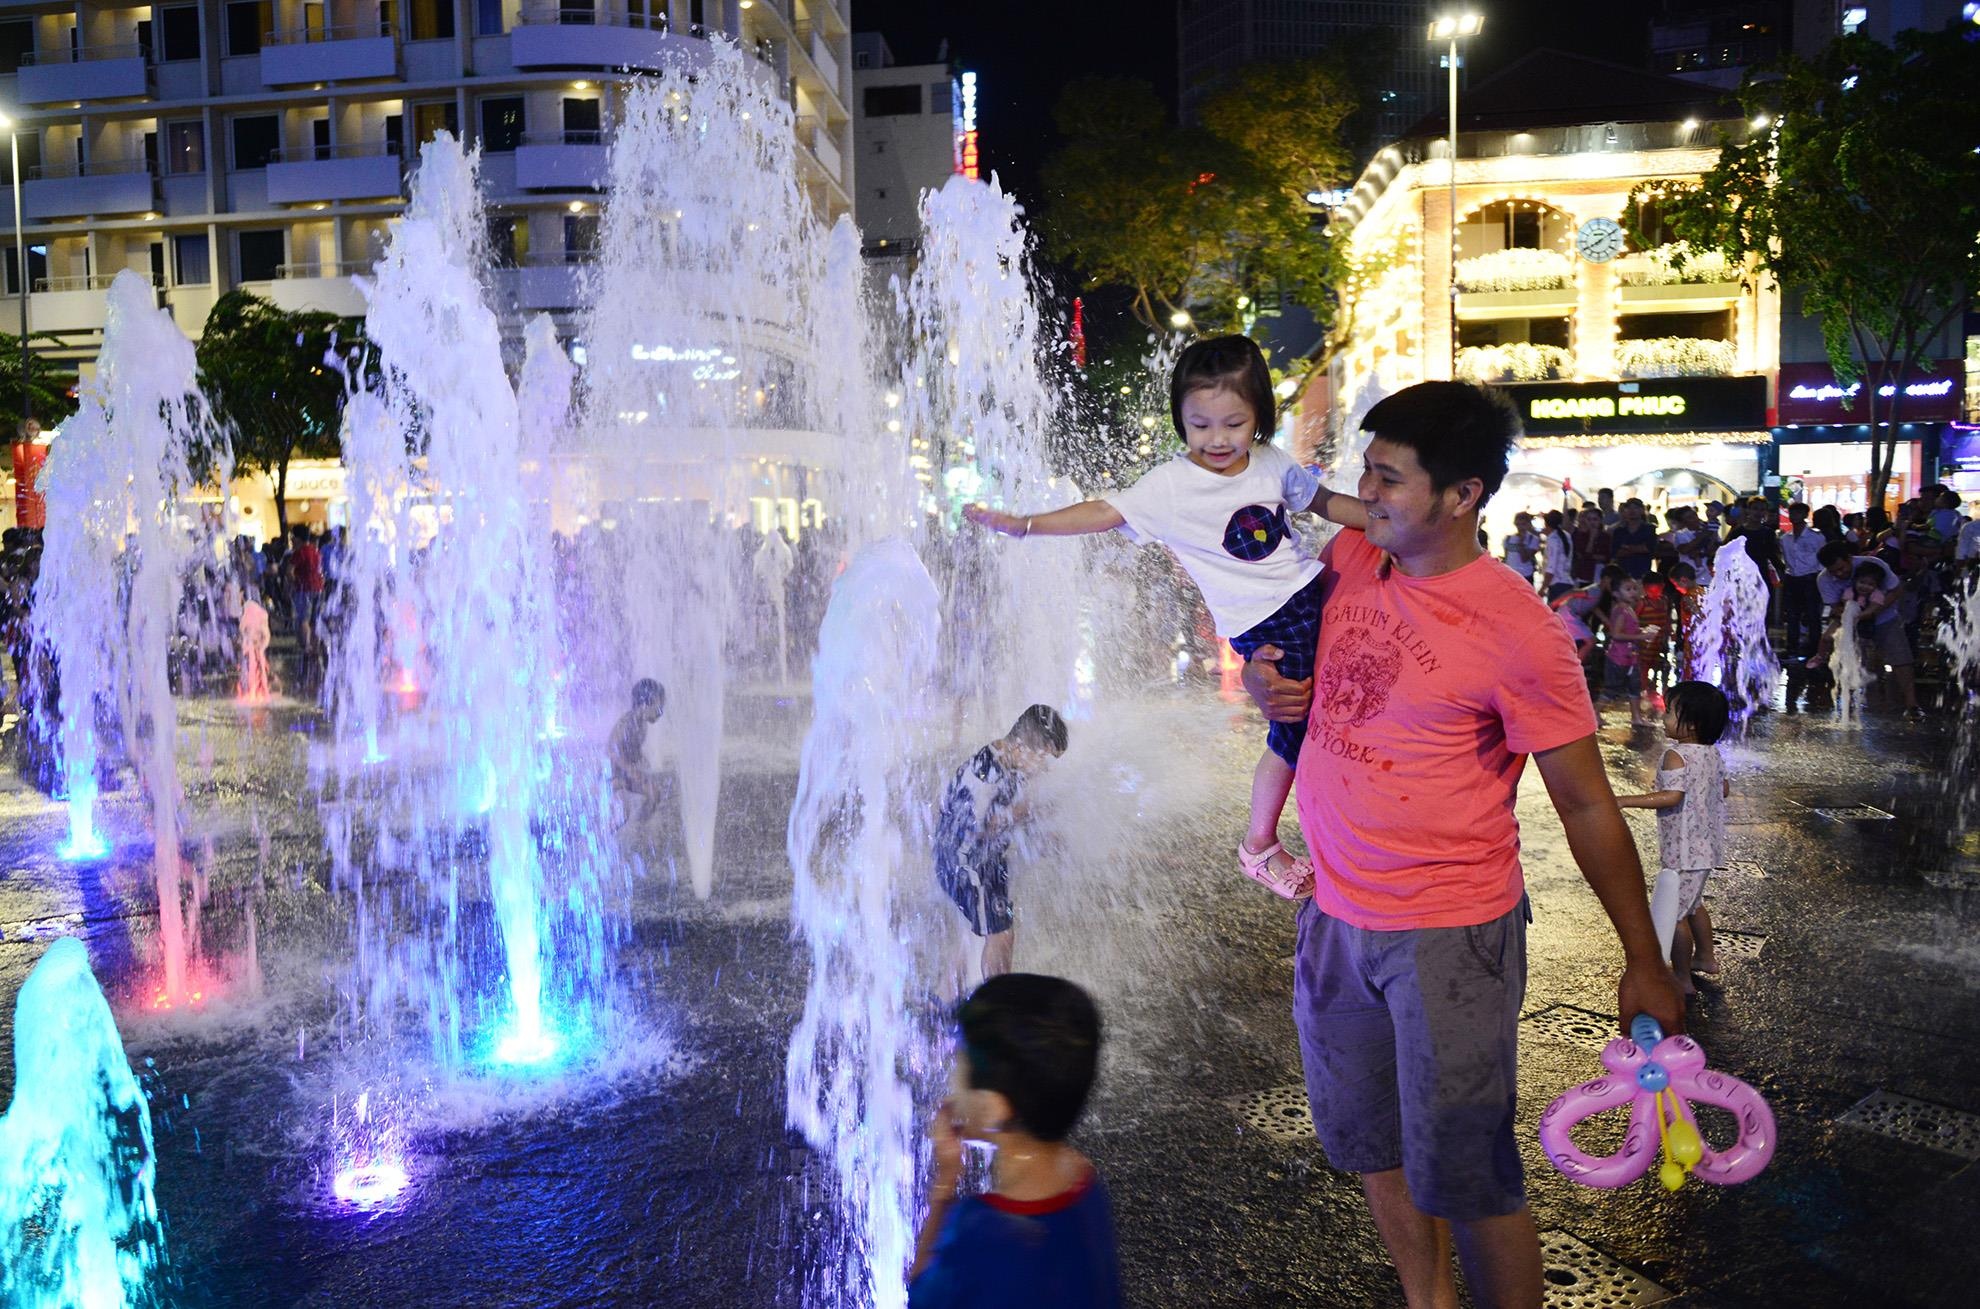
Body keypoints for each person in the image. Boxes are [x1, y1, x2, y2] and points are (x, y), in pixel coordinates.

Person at [1241, 380, 1682, 1309]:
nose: (1367, 493)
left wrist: (1643, 957)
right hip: (1334, 915)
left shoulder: (1518, 628)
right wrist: (1265, 674)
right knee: (1373, 1145)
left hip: (1450, 935)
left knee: (1470, 1173)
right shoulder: (1358, 557)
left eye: (1390, 478)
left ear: (1462, 494)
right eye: (1367, 469)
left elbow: (1587, 804)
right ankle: (1426, 1299)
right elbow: (1288, 649)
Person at [964, 335, 1368, 898]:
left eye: (1232, 423)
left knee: (1346, 711)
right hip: (1268, 621)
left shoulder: (1272, 463)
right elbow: (1105, 512)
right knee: (1293, 732)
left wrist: (1381, 520)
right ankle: (1260, 845)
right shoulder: (1171, 485)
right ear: (1181, 419)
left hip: (1311, 592)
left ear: (1258, 418)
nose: (1216, 438)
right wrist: (1028, 524)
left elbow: (1324, 502)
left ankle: (1344, 828)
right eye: (1199, 424)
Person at [909, 973, 1120, 1309]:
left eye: (960, 1067)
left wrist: (945, 1182)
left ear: (995, 1107)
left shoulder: (980, 1229)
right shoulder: (1085, 1181)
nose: (951, 1080)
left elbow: (920, 1295)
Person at [935, 705, 1068, 979]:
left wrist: (1041, 833)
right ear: (1022, 746)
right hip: (964, 863)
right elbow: (972, 828)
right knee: (1001, 934)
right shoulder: (985, 774)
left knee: (977, 931)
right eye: (1045, 759)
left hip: (986, 862)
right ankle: (999, 1009)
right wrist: (1021, 814)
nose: (1046, 769)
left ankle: (944, 1000)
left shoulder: (1009, 760)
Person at [1616, 681, 1728, 997]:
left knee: (1676, 913)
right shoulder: (1712, 754)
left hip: (1682, 849)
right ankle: (1705, 957)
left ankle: (1681, 978)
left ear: (1690, 724)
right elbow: (1723, 789)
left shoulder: (1675, 756)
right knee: (1693, 904)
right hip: (1706, 845)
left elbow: (1671, 796)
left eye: (1670, 713)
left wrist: (1626, 800)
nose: (1663, 719)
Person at [1812, 544, 1917, 716]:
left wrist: (1874, 611)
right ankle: (1848, 703)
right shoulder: (1823, 579)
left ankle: (1912, 705)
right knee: (1846, 656)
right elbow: (1834, 607)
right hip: (1852, 621)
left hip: (1886, 618)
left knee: (1901, 659)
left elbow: (1897, 590)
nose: (1839, 574)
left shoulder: (1874, 564)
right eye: (1834, 571)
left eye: (1842, 568)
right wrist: (1851, 613)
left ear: (1849, 558)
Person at [1779, 502, 1826, 706]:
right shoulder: (1785, 538)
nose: (1795, 515)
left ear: (1806, 515)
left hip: (1810, 577)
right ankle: (1792, 650)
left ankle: (1813, 650)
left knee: (1813, 615)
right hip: (1793, 577)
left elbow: (1822, 558)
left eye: (1799, 512)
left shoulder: (1816, 537)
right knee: (1793, 615)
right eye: (1792, 512)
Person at [1601, 576, 1662, 726]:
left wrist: (1643, 631)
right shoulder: (1621, 610)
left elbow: (1630, 630)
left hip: (1631, 657)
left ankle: (1636, 717)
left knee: (1635, 687)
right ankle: (1594, 714)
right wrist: (1641, 636)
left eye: (1635, 588)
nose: (1633, 592)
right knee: (1612, 689)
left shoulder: (1629, 609)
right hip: (1618, 657)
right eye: (1628, 589)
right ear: (1616, 594)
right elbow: (1615, 634)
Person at [609, 677, 667, 826]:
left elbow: (632, 748)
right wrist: (630, 770)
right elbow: (612, 750)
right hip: (611, 776)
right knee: (622, 813)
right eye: (659, 706)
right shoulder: (627, 723)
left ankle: (639, 828)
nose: (661, 712)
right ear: (645, 703)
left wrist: (641, 758)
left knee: (654, 793)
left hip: (625, 775)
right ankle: (604, 837)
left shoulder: (641, 725)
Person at [1609, 498, 1657, 579]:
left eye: (1636, 508)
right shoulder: (1619, 531)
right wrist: (1638, 548)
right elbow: (1615, 552)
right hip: (1623, 573)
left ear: (1642, 510)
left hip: (1642, 572)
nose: (1632, 511)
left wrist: (1627, 548)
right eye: (1629, 508)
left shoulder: (1649, 529)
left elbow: (1649, 548)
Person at [1569, 504, 1609, 585]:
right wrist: (1591, 538)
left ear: (1600, 520)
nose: (1592, 522)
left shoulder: (1606, 537)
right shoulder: (1580, 536)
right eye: (1589, 519)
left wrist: (1591, 556)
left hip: (1600, 574)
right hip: (1583, 574)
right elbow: (1583, 555)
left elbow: (1607, 557)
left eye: (1595, 519)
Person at [1539, 510, 1574, 598]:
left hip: (1557, 584)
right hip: (1567, 581)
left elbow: (1551, 567)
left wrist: (1543, 588)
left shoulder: (1553, 540)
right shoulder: (1566, 536)